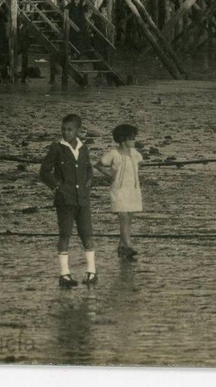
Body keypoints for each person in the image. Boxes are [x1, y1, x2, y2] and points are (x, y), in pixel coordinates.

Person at [39, 113, 96, 287]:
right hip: (65, 200)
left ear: (78, 131)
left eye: (70, 130)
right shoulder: (57, 148)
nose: (66, 133)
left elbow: (88, 168)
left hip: (82, 200)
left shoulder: (84, 148)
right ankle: (64, 274)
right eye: (63, 129)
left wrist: (88, 182)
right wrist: (57, 186)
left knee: (87, 234)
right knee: (65, 234)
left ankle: (91, 272)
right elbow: (44, 172)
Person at [96, 123, 144, 260]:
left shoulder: (135, 153)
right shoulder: (114, 153)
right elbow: (99, 164)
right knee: (123, 218)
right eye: (132, 138)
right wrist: (109, 174)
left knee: (129, 219)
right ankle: (128, 246)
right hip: (119, 190)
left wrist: (133, 172)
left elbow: (140, 162)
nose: (134, 140)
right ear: (123, 139)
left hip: (133, 190)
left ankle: (121, 246)